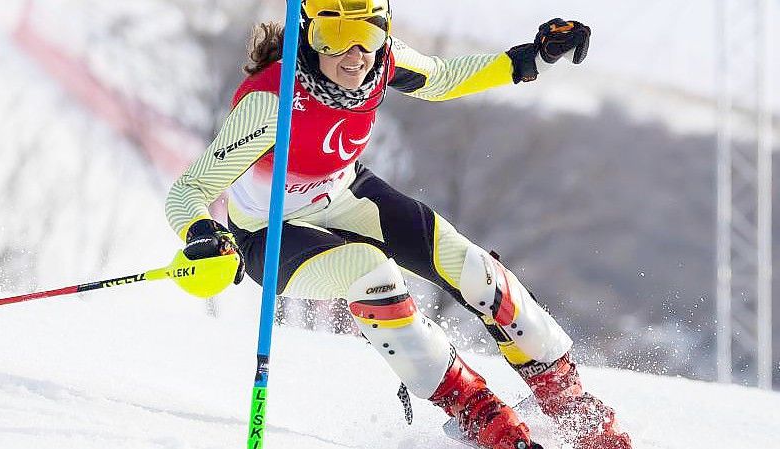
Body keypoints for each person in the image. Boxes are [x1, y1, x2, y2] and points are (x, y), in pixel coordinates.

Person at [166, 1, 631, 448]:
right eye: (335, 36)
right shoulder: (271, 102)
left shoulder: (380, 62)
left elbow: (442, 79)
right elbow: (187, 191)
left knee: (474, 270)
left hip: (345, 194)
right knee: (373, 274)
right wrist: (204, 235)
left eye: (368, 33)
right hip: (269, 234)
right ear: (309, 34)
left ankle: (571, 405)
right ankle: (478, 414)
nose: (356, 55)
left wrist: (531, 60)